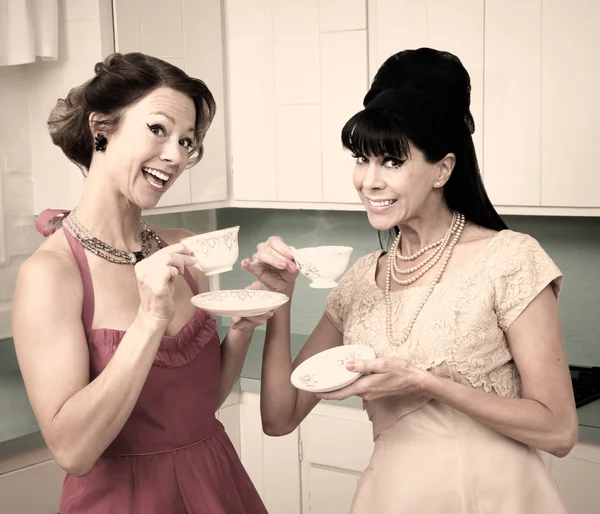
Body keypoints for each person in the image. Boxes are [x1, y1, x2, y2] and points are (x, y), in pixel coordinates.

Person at [243, 48, 578, 513]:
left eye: (392, 162)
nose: (369, 181)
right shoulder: (361, 281)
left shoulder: (510, 258)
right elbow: (279, 419)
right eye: (362, 159)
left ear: (443, 168)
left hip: (499, 496)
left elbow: (559, 431)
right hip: (394, 496)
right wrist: (278, 302)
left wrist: (427, 384)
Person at [12, 52, 269, 513]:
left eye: (187, 142)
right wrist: (150, 319)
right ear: (101, 128)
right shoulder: (51, 274)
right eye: (158, 129)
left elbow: (199, 403)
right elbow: (73, 451)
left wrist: (245, 323)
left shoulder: (185, 248)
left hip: (216, 483)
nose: (175, 155)